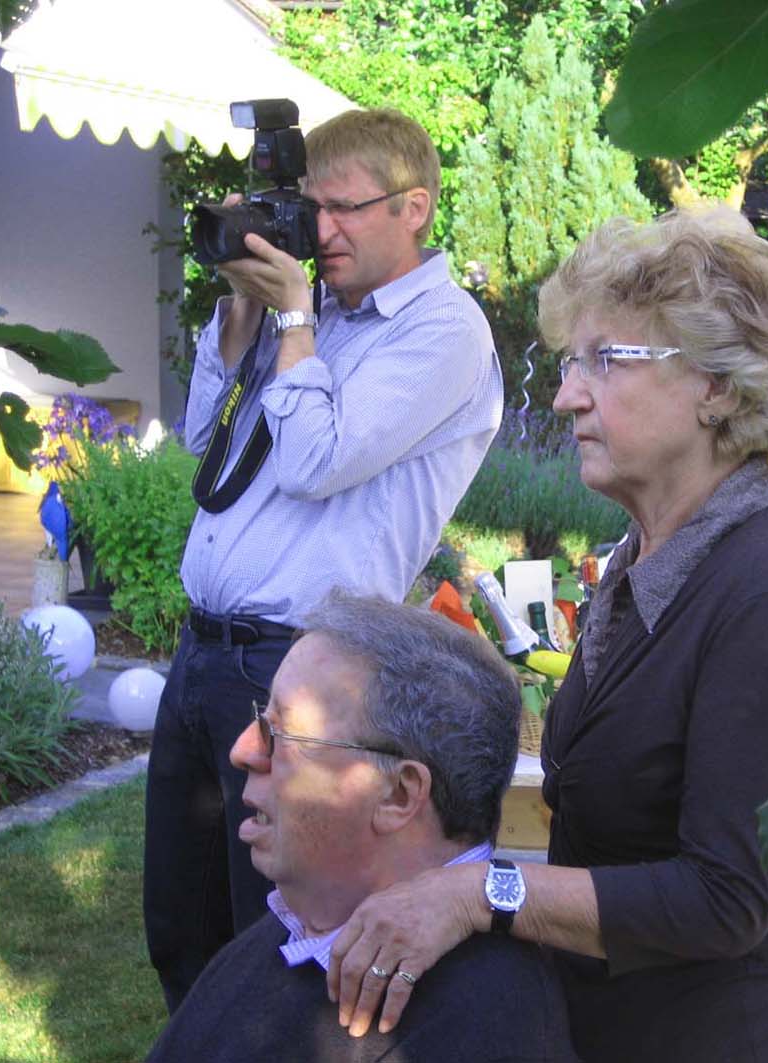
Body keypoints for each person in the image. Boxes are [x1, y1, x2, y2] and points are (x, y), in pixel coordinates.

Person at [324, 206, 768, 1062]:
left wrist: (478, 894)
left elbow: (724, 899)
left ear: (716, 386)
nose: (566, 393)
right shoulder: (648, 556)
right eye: (571, 361)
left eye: (606, 360)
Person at [143, 107, 503, 1013]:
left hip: (296, 669)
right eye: (311, 208)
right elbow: (204, 439)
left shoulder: (443, 332)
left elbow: (313, 463)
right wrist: (241, 305)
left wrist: (296, 315)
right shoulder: (312, 316)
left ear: (413, 207)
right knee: (180, 919)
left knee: (265, 933)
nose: (321, 232)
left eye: (344, 209)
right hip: (205, 656)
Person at [144, 595, 577, 1062]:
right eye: (259, 719)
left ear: (398, 795)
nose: (244, 750)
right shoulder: (301, 922)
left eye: (281, 733)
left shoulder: (482, 1026)